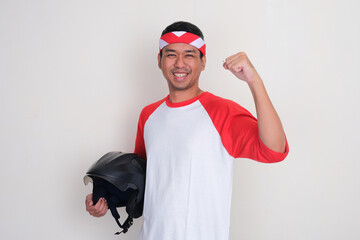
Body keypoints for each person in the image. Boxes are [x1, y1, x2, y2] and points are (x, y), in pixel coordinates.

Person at [86, 21, 289, 240]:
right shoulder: (148, 115)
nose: (179, 63)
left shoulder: (222, 112)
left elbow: (274, 150)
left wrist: (253, 80)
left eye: (190, 55)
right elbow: (145, 181)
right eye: (171, 54)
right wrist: (106, 199)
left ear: (203, 62)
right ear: (159, 60)